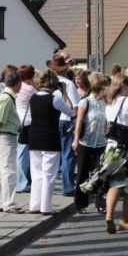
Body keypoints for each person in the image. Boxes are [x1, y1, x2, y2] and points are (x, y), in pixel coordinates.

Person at [81, 74, 128, 233]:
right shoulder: (127, 100)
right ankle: (125, 219)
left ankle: (109, 216)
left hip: (112, 147)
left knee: (115, 183)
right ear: (123, 85)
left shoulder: (108, 101)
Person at [27, 69, 76, 215]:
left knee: (37, 174)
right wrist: (65, 94)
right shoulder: (55, 99)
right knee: (49, 174)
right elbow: (72, 112)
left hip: (34, 138)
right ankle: (46, 207)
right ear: (54, 83)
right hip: (49, 139)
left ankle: (34, 205)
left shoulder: (33, 97)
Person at [0, 71, 24, 214]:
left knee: (2, 171)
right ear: (18, 83)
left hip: (4, 135)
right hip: (5, 136)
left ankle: (0, 202)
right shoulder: (7, 98)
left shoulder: (4, 97)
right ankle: (9, 203)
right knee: (9, 171)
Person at [73, 73, 109, 214]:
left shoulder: (104, 103)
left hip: (101, 143)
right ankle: (80, 204)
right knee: (82, 173)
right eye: (105, 86)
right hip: (86, 142)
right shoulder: (85, 102)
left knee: (101, 173)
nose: (107, 88)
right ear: (99, 87)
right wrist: (76, 140)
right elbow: (79, 122)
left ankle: (101, 204)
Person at [47, 53, 79, 197]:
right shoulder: (68, 84)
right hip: (66, 119)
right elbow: (75, 107)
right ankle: (68, 187)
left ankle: (51, 187)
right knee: (67, 155)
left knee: (53, 156)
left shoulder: (48, 83)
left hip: (52, 120)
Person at [15, 65, 37, 193]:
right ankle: (21, 183)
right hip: (28, 122)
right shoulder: (30, 89)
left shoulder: (17, 87)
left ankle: (18, 181)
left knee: (19, 153)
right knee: (24, 155)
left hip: (17, 121)